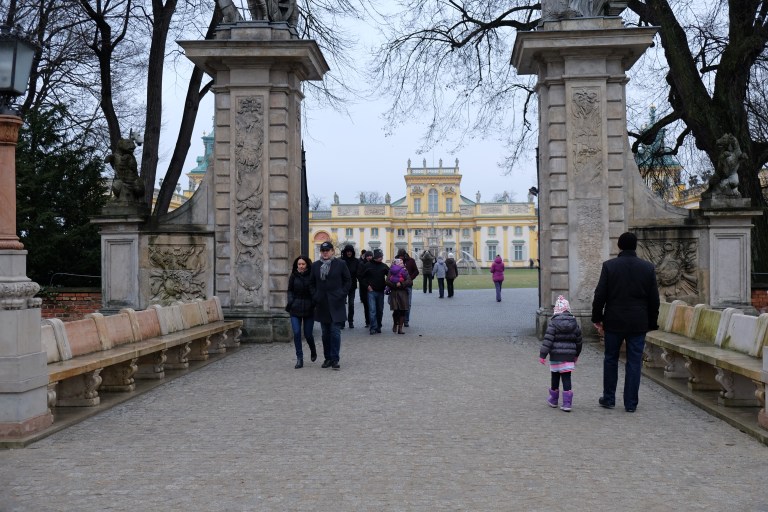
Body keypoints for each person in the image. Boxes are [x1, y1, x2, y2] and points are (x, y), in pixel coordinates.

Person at [591, 232, 660, 412]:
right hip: (638, 321)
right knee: (634, 362)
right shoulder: (647, 268)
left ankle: (609, 398)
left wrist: (597, 318)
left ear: (619, 246)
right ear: (635, 246)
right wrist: (652, 322)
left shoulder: (609, 266)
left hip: (614, 320)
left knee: (610, 359)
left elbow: (600, 295)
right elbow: (654, 299)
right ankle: (631, 403)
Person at [309, 241, 351, 370]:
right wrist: (315, 295)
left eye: (327, 250)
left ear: (332, 251)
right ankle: (327, 358)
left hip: (336, 302)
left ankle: (335, 359)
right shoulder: (315, 266)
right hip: (322, 303)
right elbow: (311, 283)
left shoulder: (341, 264)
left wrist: (341, 293)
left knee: (335, 332)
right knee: (325, 333)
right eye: (323, 251)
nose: (325, 253)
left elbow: (348, 280)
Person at [539, 295, 582, 411]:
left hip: (556, 355)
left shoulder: (553, 323)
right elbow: (579, 341)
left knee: (555, 376)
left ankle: (554, 399)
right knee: (567, 378)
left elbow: (548, 341)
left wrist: (543, 355)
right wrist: (576, 354)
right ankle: (567, 403)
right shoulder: (574, 323)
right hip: (569, 356)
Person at [285, 255, 317, 369]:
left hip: (309, 308)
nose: (301, 266)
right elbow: (290, 290)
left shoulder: (312, 275)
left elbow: (315, 290)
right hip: (295, 308)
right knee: (297, 332)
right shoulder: (293, 275)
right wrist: (291, 300)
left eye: (303, 264)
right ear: (296, 265)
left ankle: (313, 349)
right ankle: (299, 358)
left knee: (308, 334)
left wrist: (313, 302)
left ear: (307, 264)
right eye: (299, 264)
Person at [359, 248, 389, 335]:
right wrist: (367, 286)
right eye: (380, 256)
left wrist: (388, 284)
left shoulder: (384, 266)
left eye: (382, 256)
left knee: (380, 310)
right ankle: (373, 327)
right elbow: (361, 277)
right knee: (372, 310)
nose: (381, 258)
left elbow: (390, 275)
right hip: (371, 291)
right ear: (375, 257)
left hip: (381, 291)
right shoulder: (367, 265)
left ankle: (378, 326)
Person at [386, 258, 413, 334]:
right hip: (394, 293)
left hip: (403, 293)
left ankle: (400, 328)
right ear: (396, 264)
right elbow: (387, 281)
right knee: (396, 311)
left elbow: (410, 281)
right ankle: (395, 324)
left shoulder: (405, 271)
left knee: (403, 311)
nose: (402, 264)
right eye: (400, 263)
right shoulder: (391, 271)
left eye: (402, 263)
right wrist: (394, 285)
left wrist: (401, 284)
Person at [397, 249, 419, 326]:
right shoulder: (396, 261)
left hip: (408, 285)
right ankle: (399, 319)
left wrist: (410, 278)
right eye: (399, 256)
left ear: (404, 255)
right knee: (398, 304)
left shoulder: (411, 261)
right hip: (398, 285)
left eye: (402, 256)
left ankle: (406, 320)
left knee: (408, 304)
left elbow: (416, 271)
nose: (400, 258)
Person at [340, 244, 359, 329]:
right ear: (345, 252)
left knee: (351, 304)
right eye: (347, 251)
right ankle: (342, 321)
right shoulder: (341, 261)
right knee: (342, 304)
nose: (349, 253)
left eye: (350, 251)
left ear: (352, 252)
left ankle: (350, 321)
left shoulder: (356, 261)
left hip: (352, 286)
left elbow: (359, 273)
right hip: (342, 286)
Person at [358, 250, 373, 328]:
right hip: (364, 288)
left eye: (370, 256)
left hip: (373, 287)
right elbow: (360, 276)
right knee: (366, 306)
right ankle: (368, 321)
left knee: (373, 306)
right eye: (368, 256)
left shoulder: (374, 264)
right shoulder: (361, 264)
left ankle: (373, 320)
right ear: (365, 257)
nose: (369, 257)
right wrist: (366, 285)